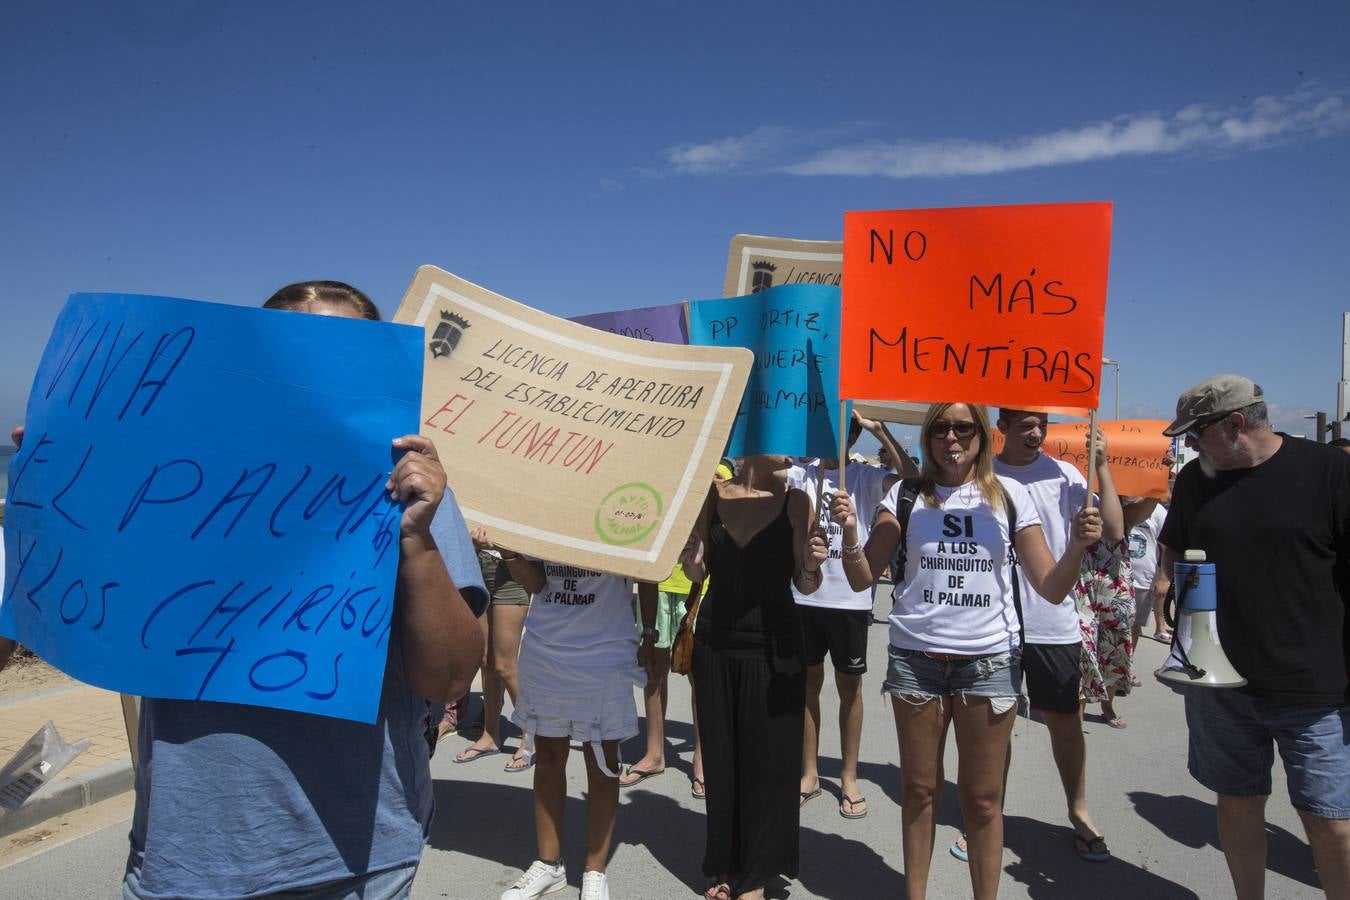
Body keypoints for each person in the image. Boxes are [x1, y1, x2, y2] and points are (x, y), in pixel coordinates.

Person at [57, 280, 489, 899]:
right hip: (186, 855)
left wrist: (415, 541)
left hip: (356, 856)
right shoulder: (166, 476)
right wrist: (56, 502)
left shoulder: (410, 489)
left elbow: (448, 680)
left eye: (341, 353)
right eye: (294, 352)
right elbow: (76, 617)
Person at [830, 402, 1100, 900]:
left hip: (989, 664)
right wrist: (850, 534)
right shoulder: (905, 495)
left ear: (982, 434)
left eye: (962, 427)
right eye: (939, 429)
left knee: (981, 802)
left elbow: (1052, 586)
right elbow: (862, 577)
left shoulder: (1012, 495)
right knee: (918, 792)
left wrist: (1078, 547)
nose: (950, 438)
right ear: (928, 437)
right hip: (916, 663)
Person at [1159, 375, 1350, 900]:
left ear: (1236, 424)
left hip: (1313, 689)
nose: (1189, 447)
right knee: (1238, 804)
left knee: (1329, 821)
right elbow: (1175, 550)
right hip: (1220, 686)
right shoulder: (1198, 478)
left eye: (1196, 435)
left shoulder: (1330, 470)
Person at [680, 454, 828, 900]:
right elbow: (698, 571)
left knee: (768, 762)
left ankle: (757, 878)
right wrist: (690, 555)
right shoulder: (712, 494)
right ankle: (724, 864)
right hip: (715, 640)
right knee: (722, 759)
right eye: (778, 437)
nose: (790, 450)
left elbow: (805, 586)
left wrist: (812, 564)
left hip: (774, 643)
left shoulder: (798, 501)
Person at [987, 408, 1124, 863]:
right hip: (995, 623)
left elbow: (1116, 530)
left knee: (1066, 724)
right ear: (1001, 429)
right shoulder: (982, 475)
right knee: (994, 729)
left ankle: (1079, 811)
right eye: (1025, 424)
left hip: (1054, 621)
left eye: (1041, 424)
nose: (1036, 432)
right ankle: (990, 817)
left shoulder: (1065, 474)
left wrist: (1100, 464)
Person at [491, 544, 657, 900]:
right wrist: (509, 554)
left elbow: (649, 569)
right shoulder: (548, 500)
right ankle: (549, 865)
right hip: (546, 646)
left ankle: (595, 872)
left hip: (606, 649)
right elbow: (537, 584)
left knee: (602, 762)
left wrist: (650, 631)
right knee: (549, 756)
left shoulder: (624, 494)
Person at [789, 411, 916, 821]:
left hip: (850, 601)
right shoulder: (801, 472)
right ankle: (808, 772)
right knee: (807, 687)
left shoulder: (864, 476)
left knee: (850, 690)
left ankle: (848, 775)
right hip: (805, 595)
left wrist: (883, 429)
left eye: (845, 429)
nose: (832, 437)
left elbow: (913, 481)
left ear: (855, 434)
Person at [622, 459, 735, 793]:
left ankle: (702, 758)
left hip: (699, 588)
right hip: (657, 584)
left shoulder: (722, 469)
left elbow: (728, 507)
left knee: (700, 676)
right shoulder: (664, 468)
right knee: (653, 672)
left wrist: (714, 484)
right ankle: (655, 752)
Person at [451, 532, 534, 772]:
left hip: (512, 566)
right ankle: (490, 735)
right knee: (485, 660)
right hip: (479, 563)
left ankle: (531, 737)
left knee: (505, 666)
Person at [1124, 495, 1168, 650]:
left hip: (1143, 580)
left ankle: (1128, 667)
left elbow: (1166, 547)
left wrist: (1163, 578)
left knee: (1134, 626)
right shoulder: (1116, 503)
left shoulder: (1157, 510)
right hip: (1117, 576)